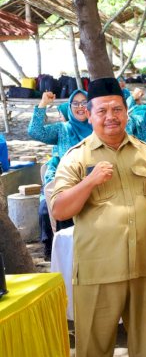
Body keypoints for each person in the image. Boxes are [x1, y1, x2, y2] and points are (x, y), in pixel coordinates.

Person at [50, 78, 146, 357]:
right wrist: (89, 181)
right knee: (94, 342)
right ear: (89, 115)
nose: (110, 116)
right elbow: (60, 210)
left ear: (126, 112)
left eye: (116, 109)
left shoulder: (145, 152)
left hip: (145, 263)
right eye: (102, 110)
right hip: (99, 267)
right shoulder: (78, 157)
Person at [29, 89, 92, 258]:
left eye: (84, 102)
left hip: (94, 187)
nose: (80, 107)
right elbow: (36, 131)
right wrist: (43, 105)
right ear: (70, 107)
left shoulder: (98, 128)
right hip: (68, 190)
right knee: (69, 243)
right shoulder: (62, 129)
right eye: (75, 103)